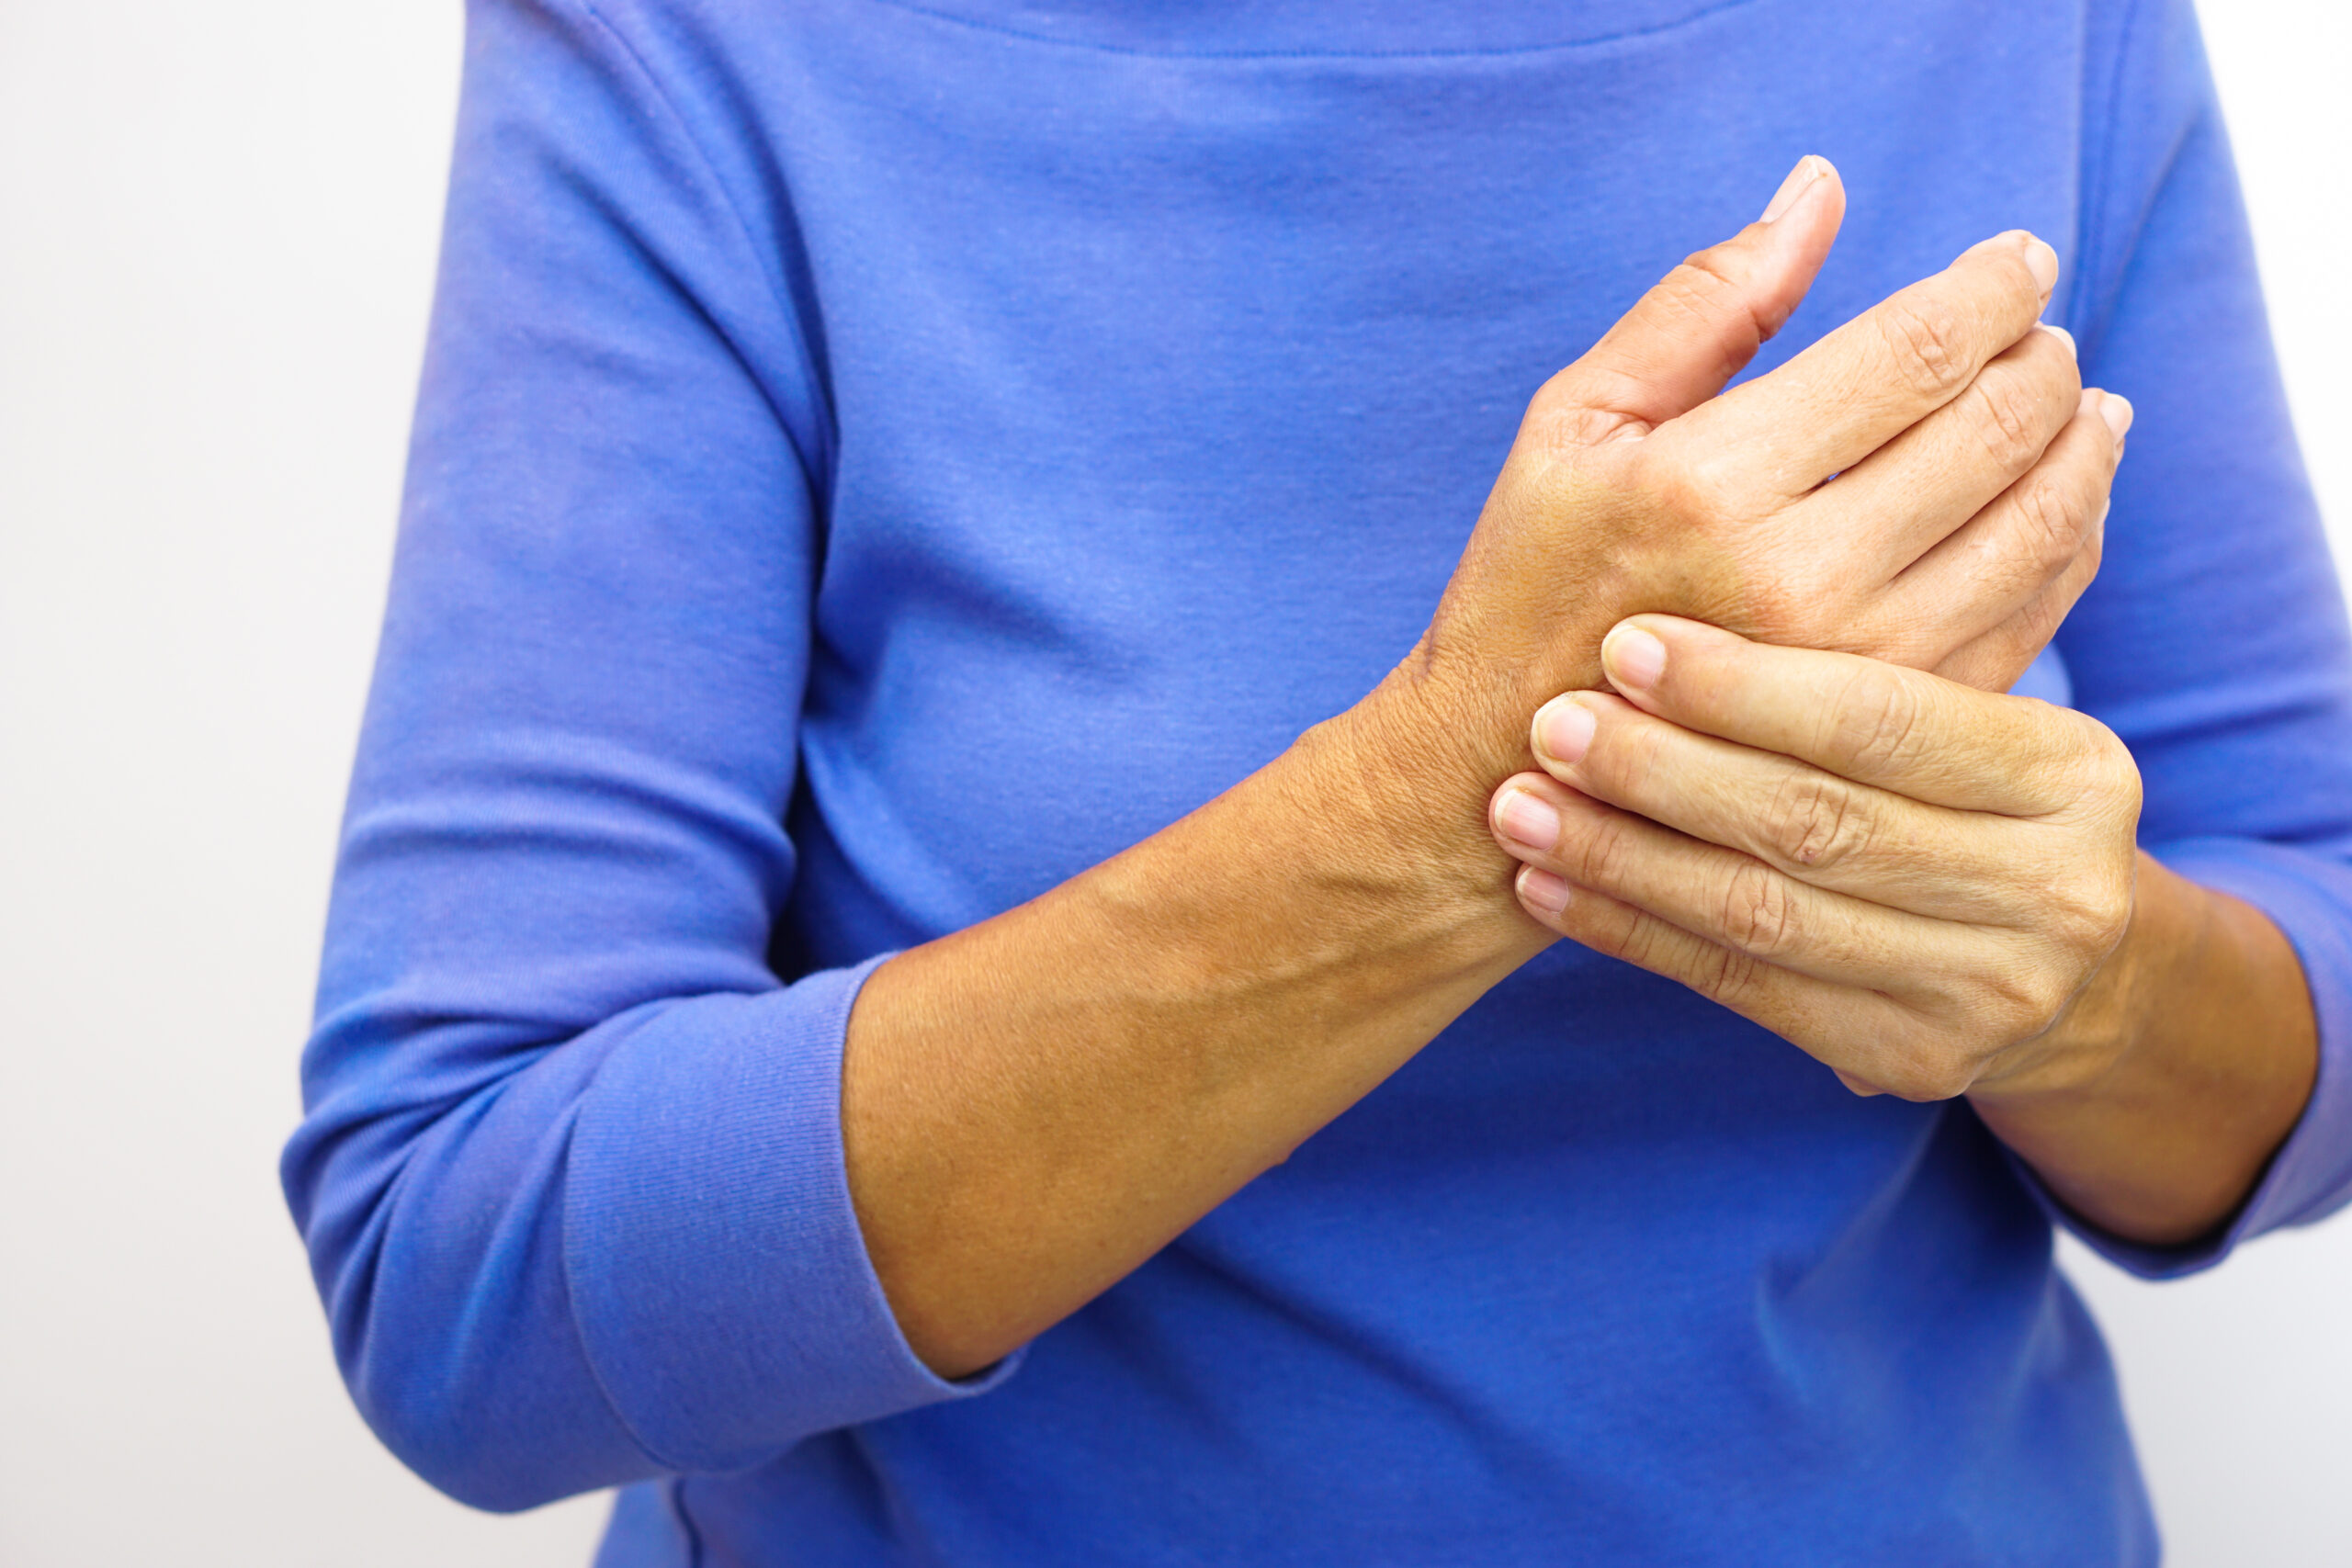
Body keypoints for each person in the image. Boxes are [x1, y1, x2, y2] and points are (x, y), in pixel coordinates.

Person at [283, 0, 2352, 1560]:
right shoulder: (706, 49)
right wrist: (1455, 790)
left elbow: (2315, 950)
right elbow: (465, 1262)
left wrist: (2083, 988)